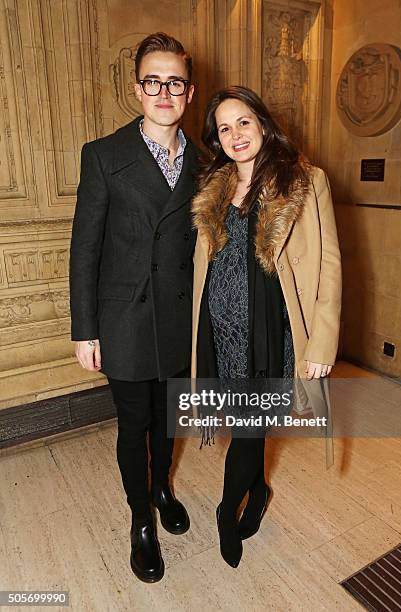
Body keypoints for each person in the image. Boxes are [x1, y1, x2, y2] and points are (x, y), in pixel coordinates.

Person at [191, 86, 341, 568]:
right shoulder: (213, 186)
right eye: (224, 128)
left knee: (251, 430)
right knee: (244, 426)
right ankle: (258, 493)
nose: (235, 135)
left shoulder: (304, 180)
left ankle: (224, 509)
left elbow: (331, 265)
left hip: (269, 333)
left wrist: (322, 342)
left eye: (243, 122)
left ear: (262, 122)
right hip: (220, 336)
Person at [69, 32, 199, 583]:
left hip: (177, 316)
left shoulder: (205, 160)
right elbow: (85, 247)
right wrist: (84, 329)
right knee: (133, 425)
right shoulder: (104, 155)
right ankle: (141, 521)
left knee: (168, 418)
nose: (163, 91)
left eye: (174, 82)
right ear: (137, 88)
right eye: (153, 81)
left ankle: (165, 485)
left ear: (189, 94)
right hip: (122, 318)